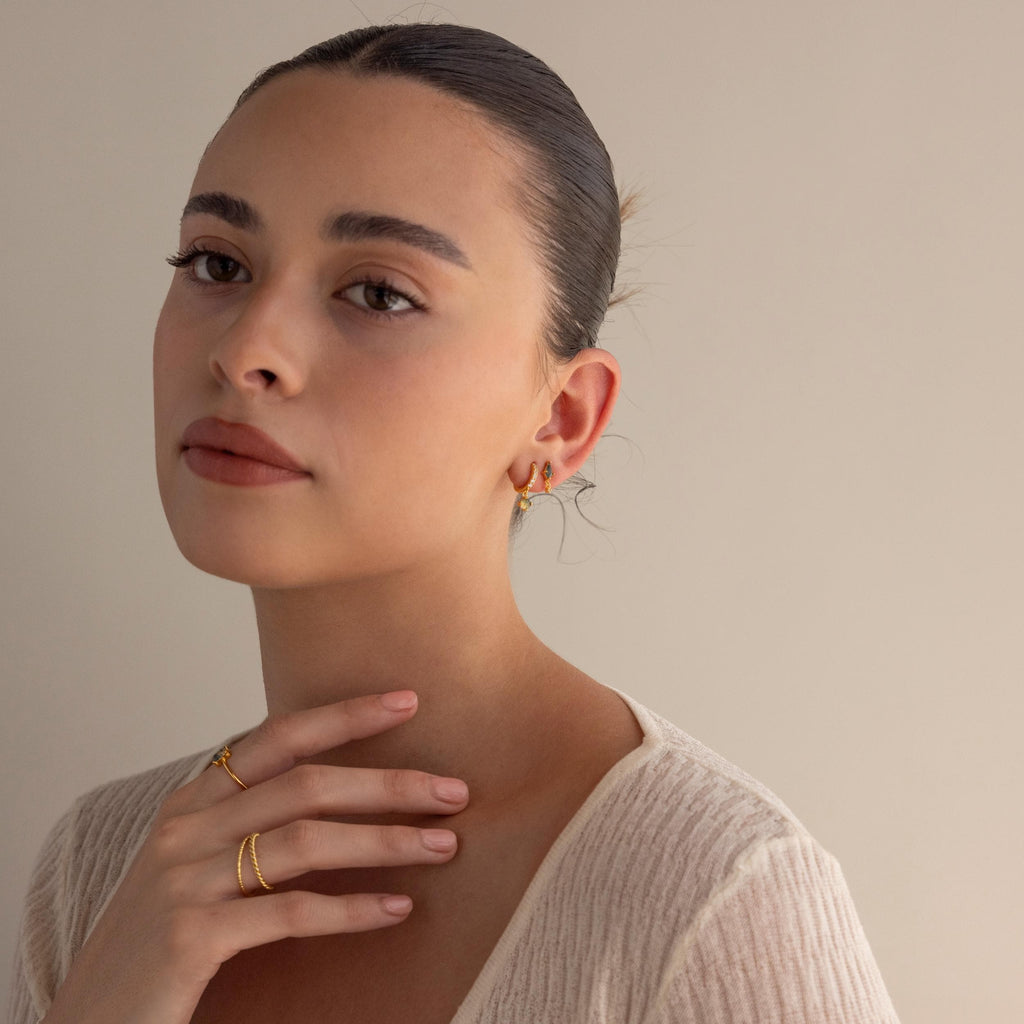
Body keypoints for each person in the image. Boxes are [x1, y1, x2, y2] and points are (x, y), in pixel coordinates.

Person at [8, 23, 900, 1024]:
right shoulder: (104, 870)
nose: (248, 348)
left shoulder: (712, 895)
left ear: (562, 419)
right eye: (217, 263)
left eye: (379, 292)